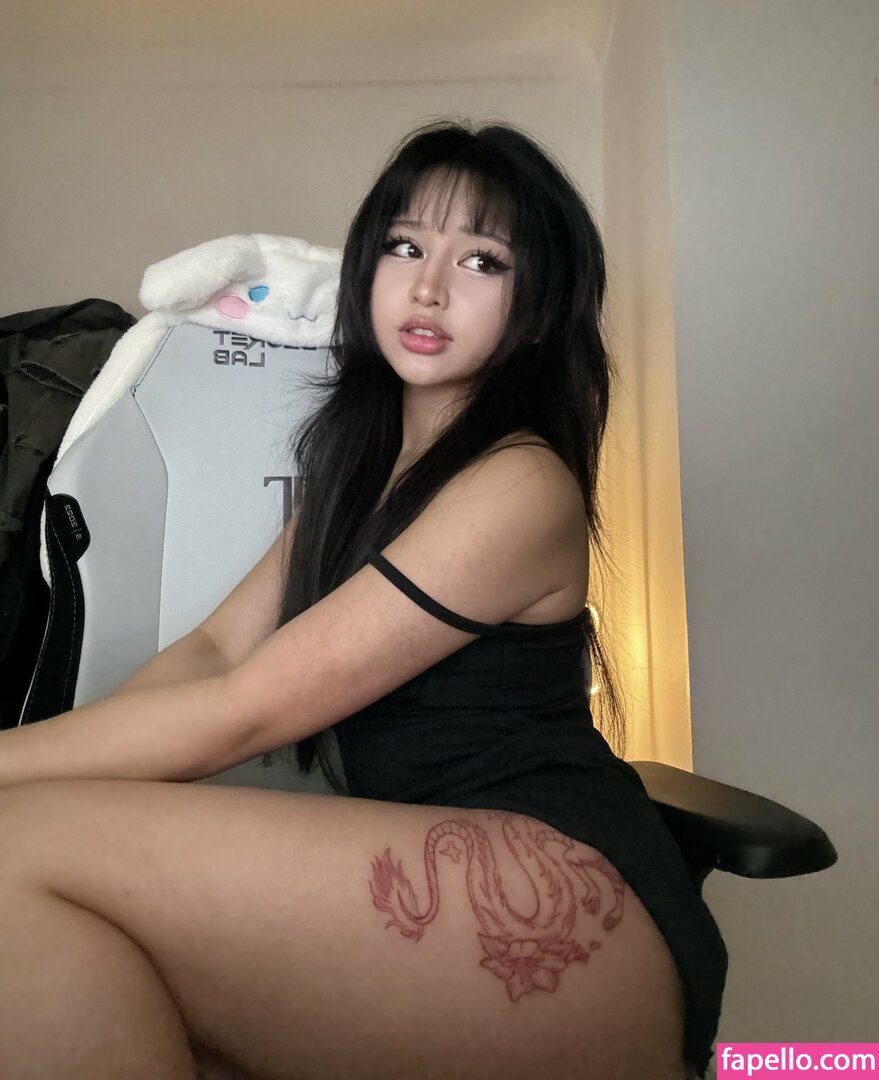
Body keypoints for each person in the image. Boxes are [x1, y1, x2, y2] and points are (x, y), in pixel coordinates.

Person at [0, 120, 726, 1080]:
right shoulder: (358, 469)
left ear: (539, 309)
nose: (429, 287)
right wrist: (66, 770)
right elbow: (216, 653)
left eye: (482, 260)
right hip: (428, 876)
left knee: (16, 855)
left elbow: (245, 708)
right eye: (404, 246)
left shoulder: (518, 482)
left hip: (579, 910)